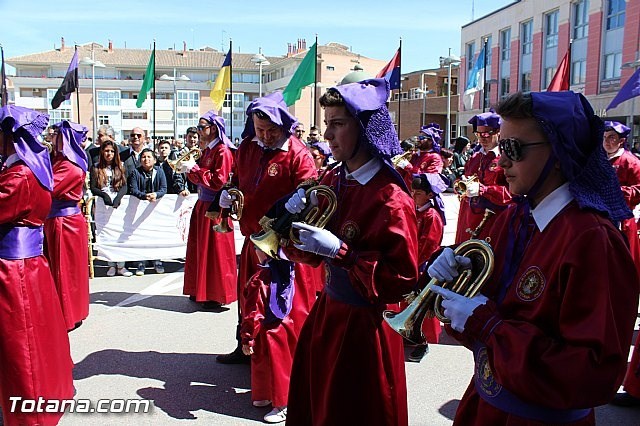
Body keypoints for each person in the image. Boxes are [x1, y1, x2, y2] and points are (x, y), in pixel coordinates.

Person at [427, 91, 640, 425]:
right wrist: (459, 274)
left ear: (558, 150)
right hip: (486, 405)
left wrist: (487, 323)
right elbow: (490, 306)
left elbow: (591, 373)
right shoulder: (516, 217)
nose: (501, 162)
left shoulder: (593, 240)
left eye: (513, 149)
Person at [283, 78, 418, 426]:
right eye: (327, 123)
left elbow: (400, 280)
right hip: (328, 310)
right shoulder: (333, 179)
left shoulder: (389, 197)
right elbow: (308, 254)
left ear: (364, 128)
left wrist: (342, 253)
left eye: (338, 124)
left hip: (365, 327)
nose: (327, 135)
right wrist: (294, 224)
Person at [216, 92, 322, 365]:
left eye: (271, 130)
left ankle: (283, 362)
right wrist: (228, 193)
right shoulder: (248, 148)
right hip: (253, 240)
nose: (265, 135)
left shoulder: (298, 154)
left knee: (282, 307)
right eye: (260, 129)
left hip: (284, 248)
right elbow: (238, 180)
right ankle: (245, 346)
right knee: (249, 298)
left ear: (283, 125)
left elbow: (312, 197)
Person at [0, 105, 74, 425]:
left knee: (23, 348)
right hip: (27, 266)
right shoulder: (34, 169)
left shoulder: (19, 176)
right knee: (36, 342)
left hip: (12, 270)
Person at [180, 111, 237, 309]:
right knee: (200, 249)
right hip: (203, 203)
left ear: (213, 129)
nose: (198, 131)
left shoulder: (222, 151)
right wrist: (189, 170)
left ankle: (215, 294)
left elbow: (218, 181)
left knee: (215, 252)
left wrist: (194, 170)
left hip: (215, 206)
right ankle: (200, 290)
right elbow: (201, 178)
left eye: (202, 127)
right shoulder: (207, 150)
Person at [240, 250, 299, 423]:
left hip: (267, 329)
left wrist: (247, 337)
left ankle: (283, 404)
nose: (255, 251)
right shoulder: (286, 269)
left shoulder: (260, 279)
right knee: (274, 364)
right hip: (283, 324)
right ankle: (265, 394)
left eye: (258, 248)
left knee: (274, 366)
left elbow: (253, 313)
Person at [44, 120, 90, 331]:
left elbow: (48, 188)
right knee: (63, 270)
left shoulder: (70, 165)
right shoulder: (60, 159)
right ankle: (69, 312)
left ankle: (67, 315)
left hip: (65, 222)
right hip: (60, 220)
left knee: (66, 271)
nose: (51, 137)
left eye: (55, 134)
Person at [404, 172, 448, 363]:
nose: (414, 196)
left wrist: (411, 262)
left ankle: (424, 343)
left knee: (422, 306)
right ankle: (409, 335)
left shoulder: (432, 216)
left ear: (430, 195)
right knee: (409, 304)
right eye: (412, 192)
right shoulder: (416, 211)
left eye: (419, 193)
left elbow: (428, 246)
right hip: (411, 263)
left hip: (423, 266)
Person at [455, 111, 511, 243]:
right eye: (478, 134)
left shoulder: (505, 157)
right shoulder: (475, 157)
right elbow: (465, 179)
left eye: (486, 134)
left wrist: (483, 190)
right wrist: (459, 185)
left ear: (498, 132)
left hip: (493, 219)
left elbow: (512, 193)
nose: (482, 139)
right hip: (468, 215)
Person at [602, 121, 640, 277]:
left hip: (622, 220)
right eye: (604, 137)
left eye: (612, 137)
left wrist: (617, 193)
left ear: (621, 141)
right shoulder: (599, 159)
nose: (607, 142)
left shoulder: (631, 162)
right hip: (600, 216)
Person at [90, 140, 131, 276]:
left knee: (119, 234)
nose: (109, 154)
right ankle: (111, 264)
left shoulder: (120, 167)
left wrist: (118, 198)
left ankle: (121, 265)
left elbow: (124, 186)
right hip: (103, 204)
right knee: (106, 235)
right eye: (106, 151)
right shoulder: (96, 167)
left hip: (117, 204)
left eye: (112, 151)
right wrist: (104, 196)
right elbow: (94, 187)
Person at [128, 148, 167, 275]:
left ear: (154, 160)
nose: (146, 159)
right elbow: (133, 189)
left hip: (155, 210)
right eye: (143, 157)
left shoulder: (159, 172)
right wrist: (145, 196)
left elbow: (163, 188)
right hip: (139, 209)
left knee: (155, 235)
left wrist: (156, 194)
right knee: (140, 236)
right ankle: (141, 262)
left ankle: (157, 260)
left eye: (149, 157)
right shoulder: (135, 172)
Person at [396, 123, 444, 188]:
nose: (419, 140)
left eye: (422, 137)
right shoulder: (415, 155)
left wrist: (408, 167)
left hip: (421, 194)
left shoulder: (435, 157)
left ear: (430, 141)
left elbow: (429, 178)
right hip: (407, 192)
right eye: (419, 137)